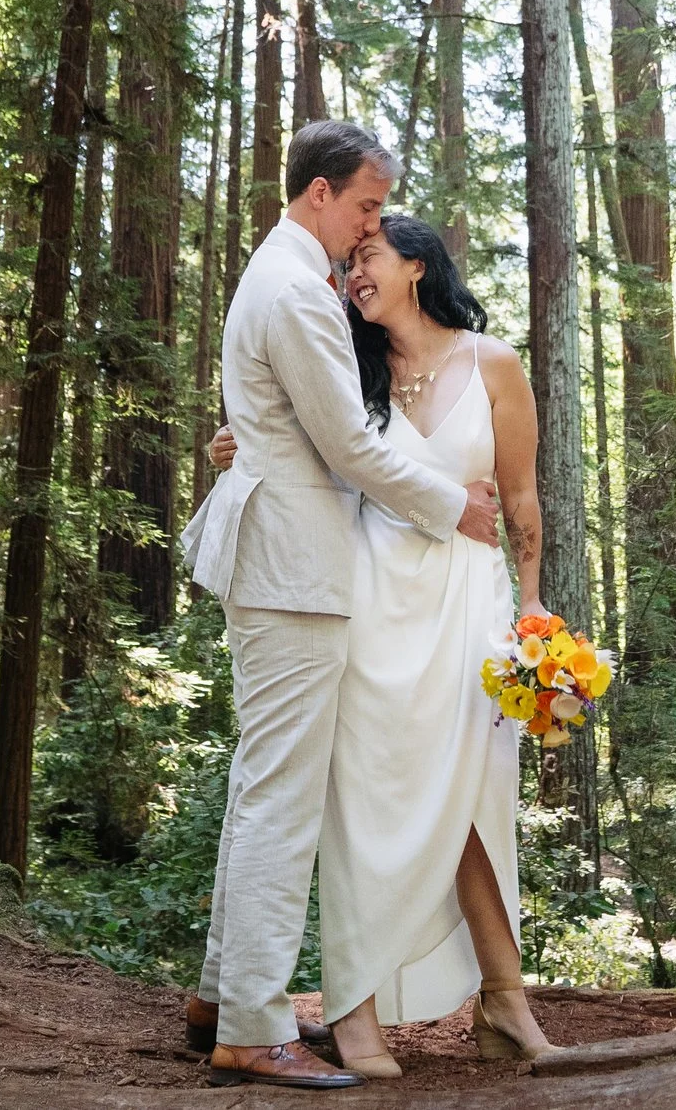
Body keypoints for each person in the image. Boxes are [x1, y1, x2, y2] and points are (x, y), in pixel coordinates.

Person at [177, 121, 503, 1091]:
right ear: (319, 191)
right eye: (365, 203)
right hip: (292, 570)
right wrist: (456, 508)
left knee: (260, 786)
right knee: (282, 798)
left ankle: (219, 994)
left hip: (284, 562)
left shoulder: (284, 278)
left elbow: (296, 428)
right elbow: (350, 450)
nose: (371, 224)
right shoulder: (292, 288)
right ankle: (251, 1023)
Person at [210, 212, 561, 1079]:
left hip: (469, 608)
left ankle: (506, 1000)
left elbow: (521, 498)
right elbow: (294, 441)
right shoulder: (349, 364)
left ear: (416, 266)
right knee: (359, 805)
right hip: (369, 604)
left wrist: (532, 611)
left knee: (477, 799)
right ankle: (355, 1007)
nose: (352, 269)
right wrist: (233, 444)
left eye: (367, 255)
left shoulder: (494, 363)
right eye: (348, 257)